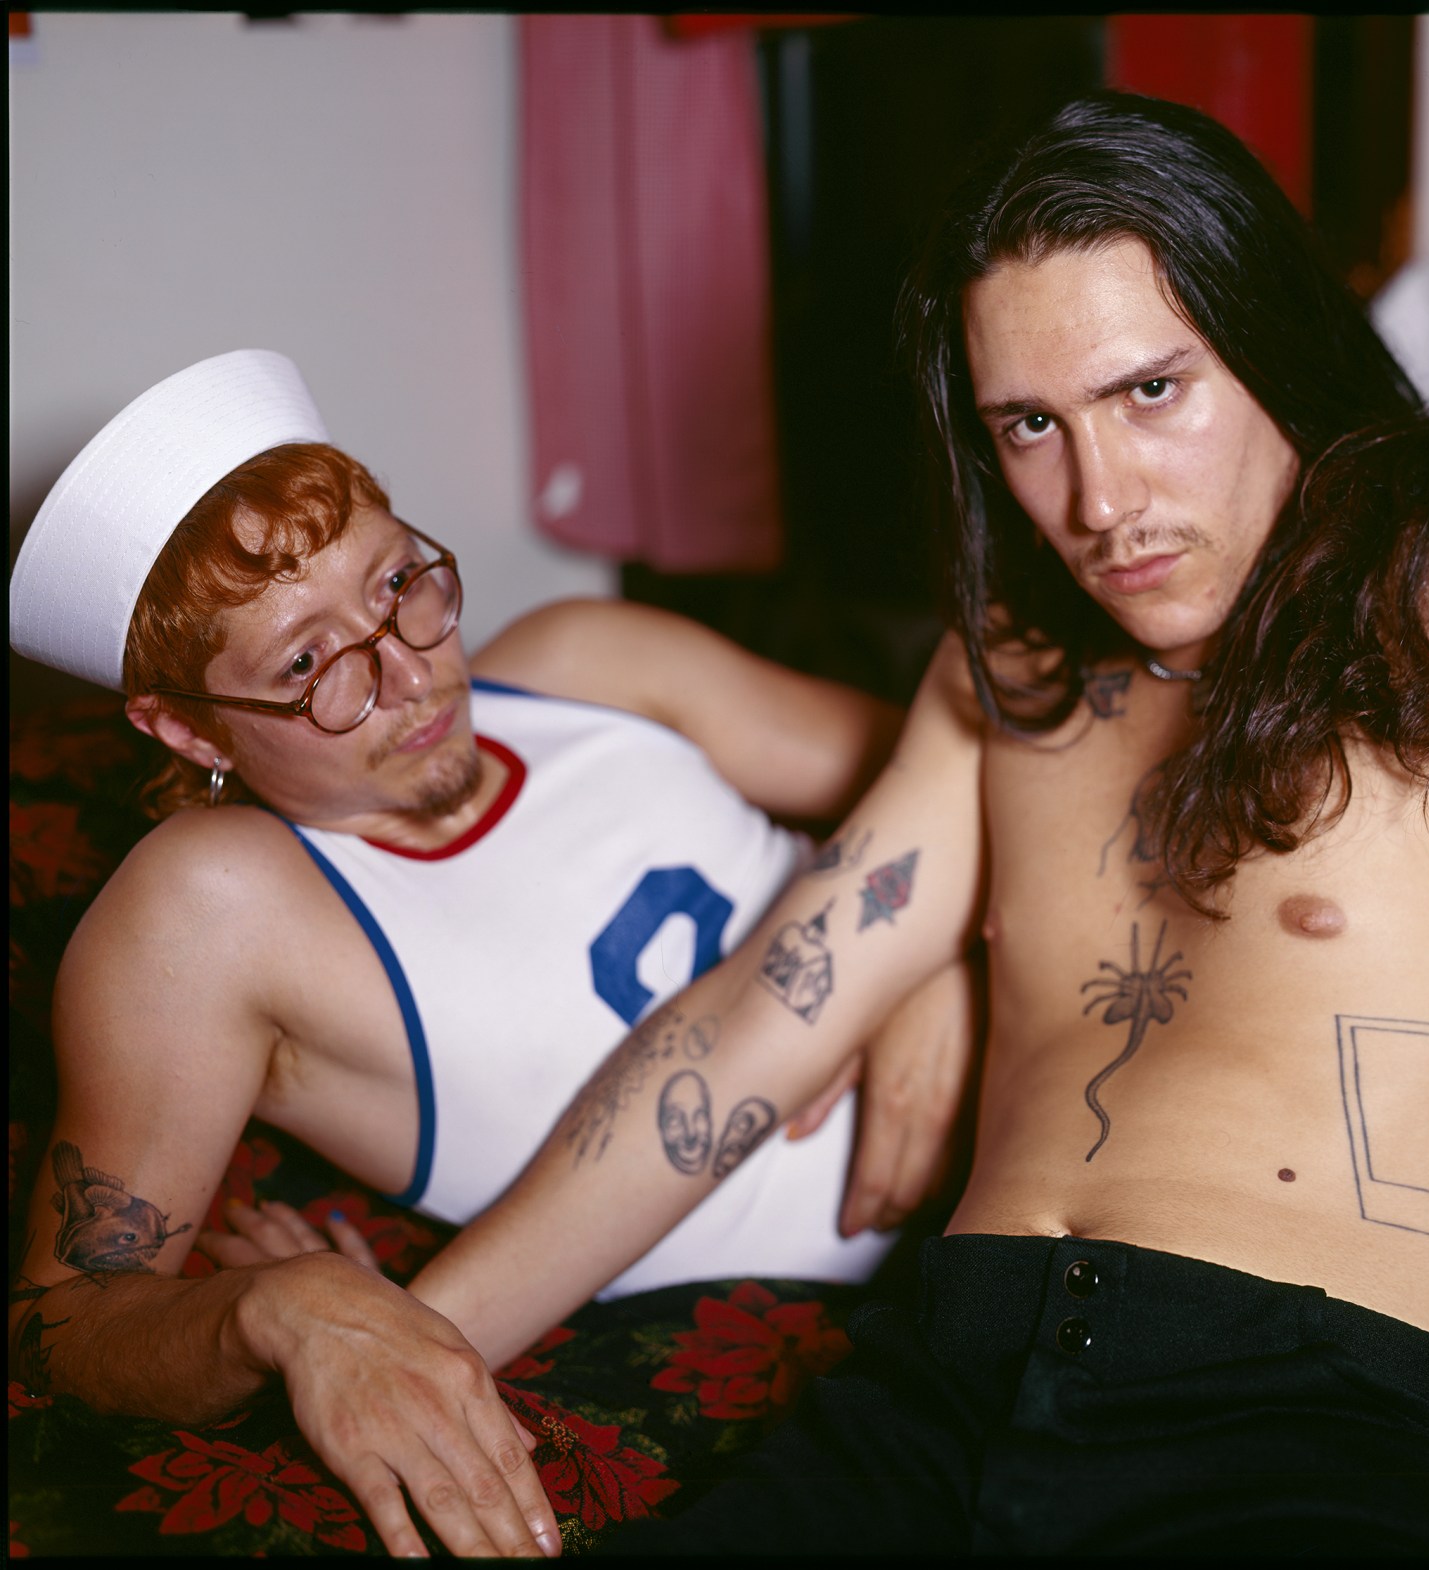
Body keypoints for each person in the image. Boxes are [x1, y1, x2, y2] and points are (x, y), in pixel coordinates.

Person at [390, 94, 1429, 1556]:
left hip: (1318, 1423)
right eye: (1030, 427)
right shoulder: (1010, 670)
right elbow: (762, 1018)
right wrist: (414, 1335)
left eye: (1152, 392)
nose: (1100, 499)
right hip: (930, 1398)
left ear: (1274, 343)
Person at [5, 349, 976, 1558]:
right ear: (187, 724)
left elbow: (980, 768)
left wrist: (935, 958)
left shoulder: (587, 662)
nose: (411, 675)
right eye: (307, 667)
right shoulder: (211, 912)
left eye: (398, 580)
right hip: (923, 1289)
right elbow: (57, 1318)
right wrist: (276, 1308)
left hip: (1035, 1082)